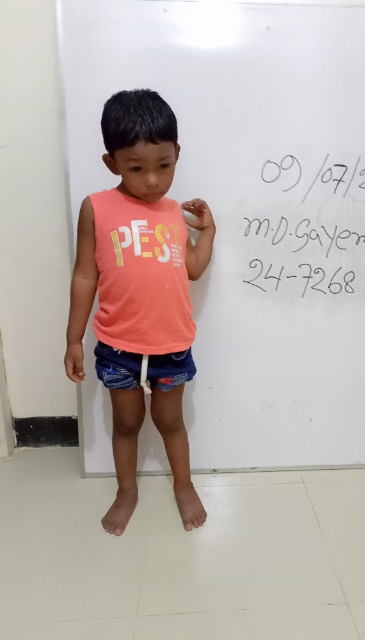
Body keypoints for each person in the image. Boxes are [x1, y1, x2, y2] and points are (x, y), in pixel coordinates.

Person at [64, 89, 215, 535]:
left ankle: (183, 485)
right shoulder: (96, 208)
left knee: (170, 421)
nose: (152, 180)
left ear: (177, 154)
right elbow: (84, 276)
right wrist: (73, 338)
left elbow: (193, 268)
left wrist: (208, 231)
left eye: (163, 166)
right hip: (118, 348)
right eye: (136, 168)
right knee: (127, 423)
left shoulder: (173, 213)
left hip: (171, 346)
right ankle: (126, 491)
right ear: (112, 163)